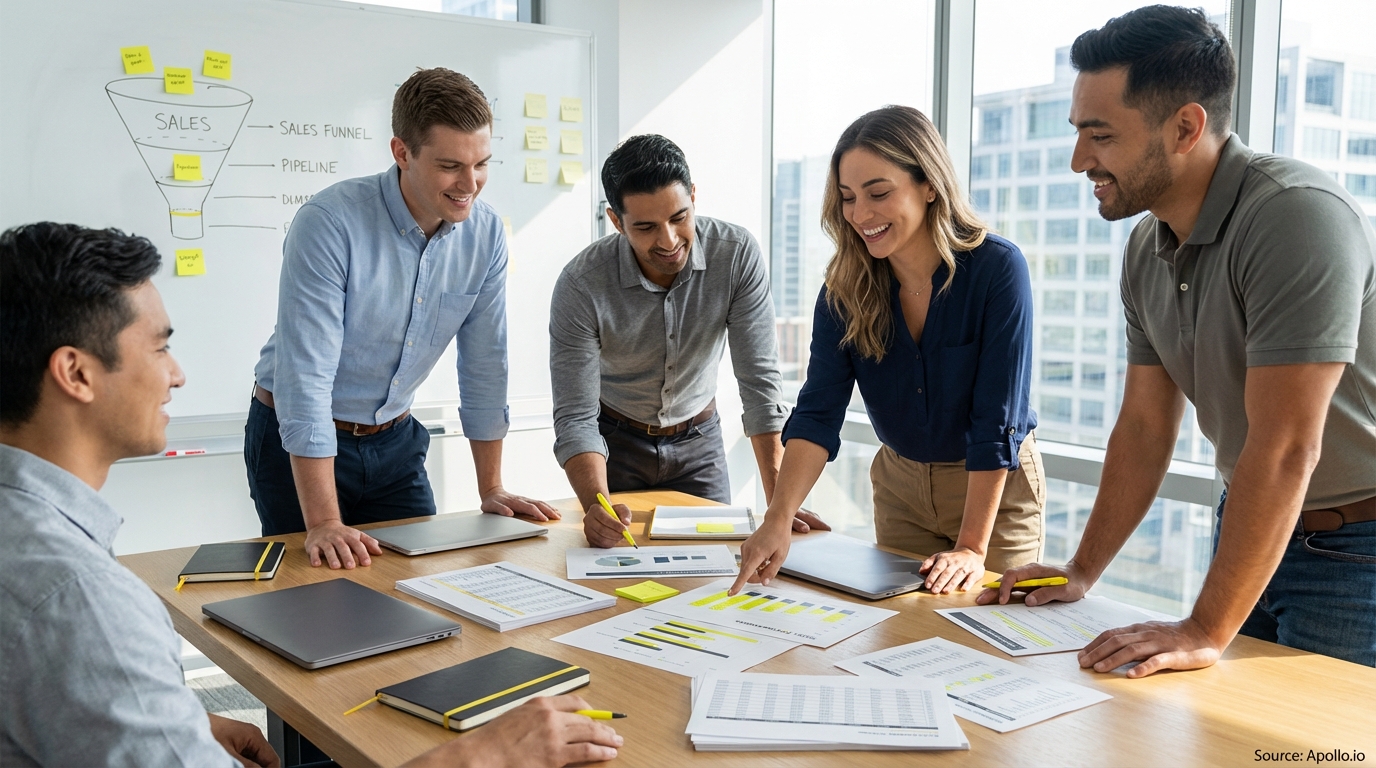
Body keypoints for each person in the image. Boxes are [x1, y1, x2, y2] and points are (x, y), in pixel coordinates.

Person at [0, 222, 622, 768]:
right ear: (76, 373)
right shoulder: (80, 596)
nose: (178, 373)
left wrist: (174, 719)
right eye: (160, 346)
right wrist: (483, 755)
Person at [981, 5, 1376, 676]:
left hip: (1358, 551)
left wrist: (1202, 627)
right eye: (1079, 133)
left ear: (1186, 126)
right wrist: (1080, 572)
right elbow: (1142, 428)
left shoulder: (1294, 216)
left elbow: (1285, 449)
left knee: (1308, 747)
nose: (1080, 160)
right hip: (1252, 526)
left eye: (1100, 136)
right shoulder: (1146, 243)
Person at [247, 67, 557, 570]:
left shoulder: (486, 235)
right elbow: (306, 378)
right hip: (297, 441)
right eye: (451, 165)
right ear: (402, 152)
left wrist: (492, 487)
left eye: (481, 164)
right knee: (316, 601)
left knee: (422, 588)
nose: (469, 184)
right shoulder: (329, 224)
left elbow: (484, 365)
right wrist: (324, 521)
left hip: (395, 443)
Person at [732, 105, 1044, 597]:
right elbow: (817, 413)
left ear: (929, 184)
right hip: (900, 488)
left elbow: (996, 420)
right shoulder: (844, 289)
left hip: (991, 491)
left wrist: (971, 547)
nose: (860, 214)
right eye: (848, 198)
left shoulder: (996, 271)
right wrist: (778, 517)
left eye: (878, 193)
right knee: (903, 634)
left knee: (990, 633)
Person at [551, 134, 827, 547]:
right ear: (615, 220)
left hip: (699, 443)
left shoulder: (735, 255)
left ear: (694, 197)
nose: (668, 240)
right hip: (614, 446)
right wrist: (597, 506)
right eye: (645, 227)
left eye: (679, 217)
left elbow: (760, 385)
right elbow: (575, 417)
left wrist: (779, 503)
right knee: (617, 570)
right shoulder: (582, 284)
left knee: (717, 573)